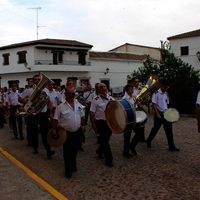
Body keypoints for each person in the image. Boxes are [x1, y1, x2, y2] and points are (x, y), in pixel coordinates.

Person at [51, 86, 86, 178]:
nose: (71, 95)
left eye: (73, 94)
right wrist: (53, 130)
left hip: (77, 132)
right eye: (69, 93)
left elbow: (82, 116)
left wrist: (83, 126)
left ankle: (73, 165)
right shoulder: (60, 107)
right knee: (67, 152)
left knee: (75, 150)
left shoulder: (79, 104)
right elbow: (55, 120)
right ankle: (68, 170)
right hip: (65, 133)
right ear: (65, 94)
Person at [19, 74, 55, 157]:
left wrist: (51, 113)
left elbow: (48, 101)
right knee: (34, 133)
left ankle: (48, 151)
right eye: (35, 79)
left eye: (39, 79)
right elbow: (19, 98)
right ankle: (35, 148)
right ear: (32, 81)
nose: (37, 81)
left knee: (45, 133)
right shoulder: (28, 90)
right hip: (33, 115)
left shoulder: (45, 90)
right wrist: (25, 101)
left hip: (43, 114)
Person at [146, 80, 180, 151]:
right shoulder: (156, 93)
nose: (166, 88)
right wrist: (157, 114)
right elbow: (154, 104)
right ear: (161, 85)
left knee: (169, 130)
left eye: (167, 87)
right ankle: (149, 140)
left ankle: (171, 146)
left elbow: (167, 104)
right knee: (155, 129)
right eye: (165, 87)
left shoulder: (166, 94)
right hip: (159, 113)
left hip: (165, 113)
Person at [90, 83, 115, 167]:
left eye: (104, 86)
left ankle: (99, 151)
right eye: (101, 87)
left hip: (109, 122)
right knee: (105, 140)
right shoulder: (95, 99)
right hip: (100, 123)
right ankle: (109, 159)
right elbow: (91, 112)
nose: (103, 88)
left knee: (106, 139)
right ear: (99, 90)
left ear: (107, 88)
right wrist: (93, 124)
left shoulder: (111, 99)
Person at [122, 84, 140, 157]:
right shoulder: (124, 99)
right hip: (128, 119)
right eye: (130, 89)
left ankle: (132, 146)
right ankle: (125, 152)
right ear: (126, 91)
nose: (132, 90)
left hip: (134, 118)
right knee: (127, 136)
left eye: (132, 89)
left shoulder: (133, 98)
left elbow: (135, 108)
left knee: (139, 132)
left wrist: (138, 105)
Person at [131, 77, 146, 142]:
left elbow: (144, 98)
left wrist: (144, 101)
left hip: (140, 107)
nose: (137, 83)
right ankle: (137, 135)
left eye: (138, 82)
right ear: (133, 83)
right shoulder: (131, 90)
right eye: (136, 82)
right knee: (135, 123)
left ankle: (142, 137)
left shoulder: (141, 89)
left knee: (143, 122)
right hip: (134, 108)